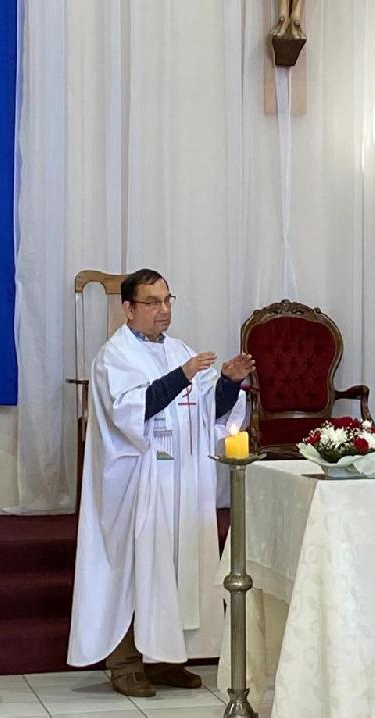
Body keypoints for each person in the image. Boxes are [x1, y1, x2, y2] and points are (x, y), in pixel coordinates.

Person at [68, 269, 253, 698]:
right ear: (128, 308)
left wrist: (228, 382)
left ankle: (167, 657)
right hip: (137, 480)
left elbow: (207, 413)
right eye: (152, 302)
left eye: (167, 299)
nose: (163, 309)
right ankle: (125, 662)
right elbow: (133, 412)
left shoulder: (179, 350)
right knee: (134, 567)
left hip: (181, 477)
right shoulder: (114, 356)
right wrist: (182, 375)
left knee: (177, 565)